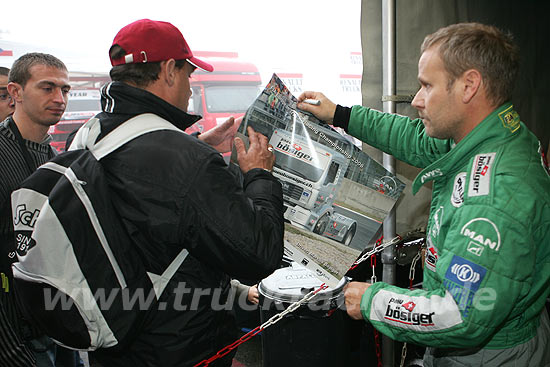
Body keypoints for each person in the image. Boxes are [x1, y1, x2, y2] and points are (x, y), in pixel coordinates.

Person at [297, 23, 550, 366]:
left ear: (469, 86)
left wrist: (373, 300)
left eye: (427, 85)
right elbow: (413, 137)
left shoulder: (498, 197)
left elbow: (459, 315)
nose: (416, 100)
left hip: (486, 355)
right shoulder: (481, 135)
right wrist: (341, 115)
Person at [80, 19, 283, 367]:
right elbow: (259, 254)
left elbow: (143, 182)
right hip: (182, 347)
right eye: (189, 73)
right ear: (168, 70)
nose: (190, 87)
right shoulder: (187, 162)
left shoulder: (88, 135)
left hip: (110, 338)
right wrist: (260, 175)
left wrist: (196, 144)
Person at [1, 53, 85, 367]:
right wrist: (10, 349)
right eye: (47, 88)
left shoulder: (54, 158)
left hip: (58, 324)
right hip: (15, 336)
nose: (59, 98)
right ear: (16, 92)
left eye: (64, 90)